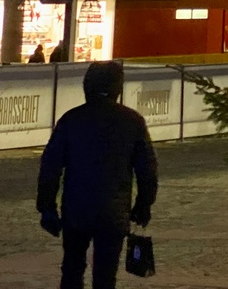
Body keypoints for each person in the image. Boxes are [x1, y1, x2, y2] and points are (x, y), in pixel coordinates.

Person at [37, 60, 157, 289]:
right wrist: (143, 204)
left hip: (76, 209)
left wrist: (47, 207)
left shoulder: (71, 120)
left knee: (72, 269)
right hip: (113, 210)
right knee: (105, 274)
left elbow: (50, 167)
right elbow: (147, 169)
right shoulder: (132, 121)